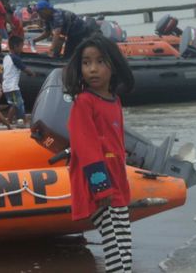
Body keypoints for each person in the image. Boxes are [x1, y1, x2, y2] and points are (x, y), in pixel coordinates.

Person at [63, 35, 135, 272]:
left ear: (113, 65)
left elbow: (117, 144)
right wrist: (101, 185)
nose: (92, 69)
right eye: (86, 63)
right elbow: (86, 147)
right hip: (99, 185)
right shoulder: (84, 102)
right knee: (114, 243)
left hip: (117, 181)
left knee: (124, 240)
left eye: (100, 61)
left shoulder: (114, 100)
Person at [2, 35, 35, 125]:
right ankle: (22, 120)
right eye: (21, 46)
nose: (22, 49)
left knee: (14, 104)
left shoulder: (6, 57)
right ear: (16, 46)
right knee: (19, 104)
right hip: (12, 87)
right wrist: (32, 73)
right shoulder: (15, 58)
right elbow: (24, 69)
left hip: (6, 86)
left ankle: (9, 120)